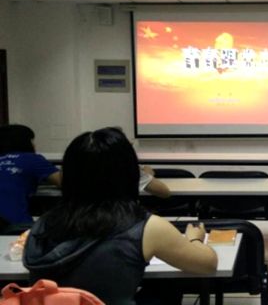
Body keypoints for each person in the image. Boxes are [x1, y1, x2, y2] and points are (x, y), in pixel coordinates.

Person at [23, 127, 217, 304]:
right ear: (130, 172)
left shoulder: (43, 224)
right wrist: (195, 239)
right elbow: (208, 264)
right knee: (168, 287)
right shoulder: (144, 226)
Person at [0, 124, 61, 226]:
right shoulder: (31, 159)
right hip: (14, 226)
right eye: (32, 141)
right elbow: (67, 182)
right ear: (25, 142)